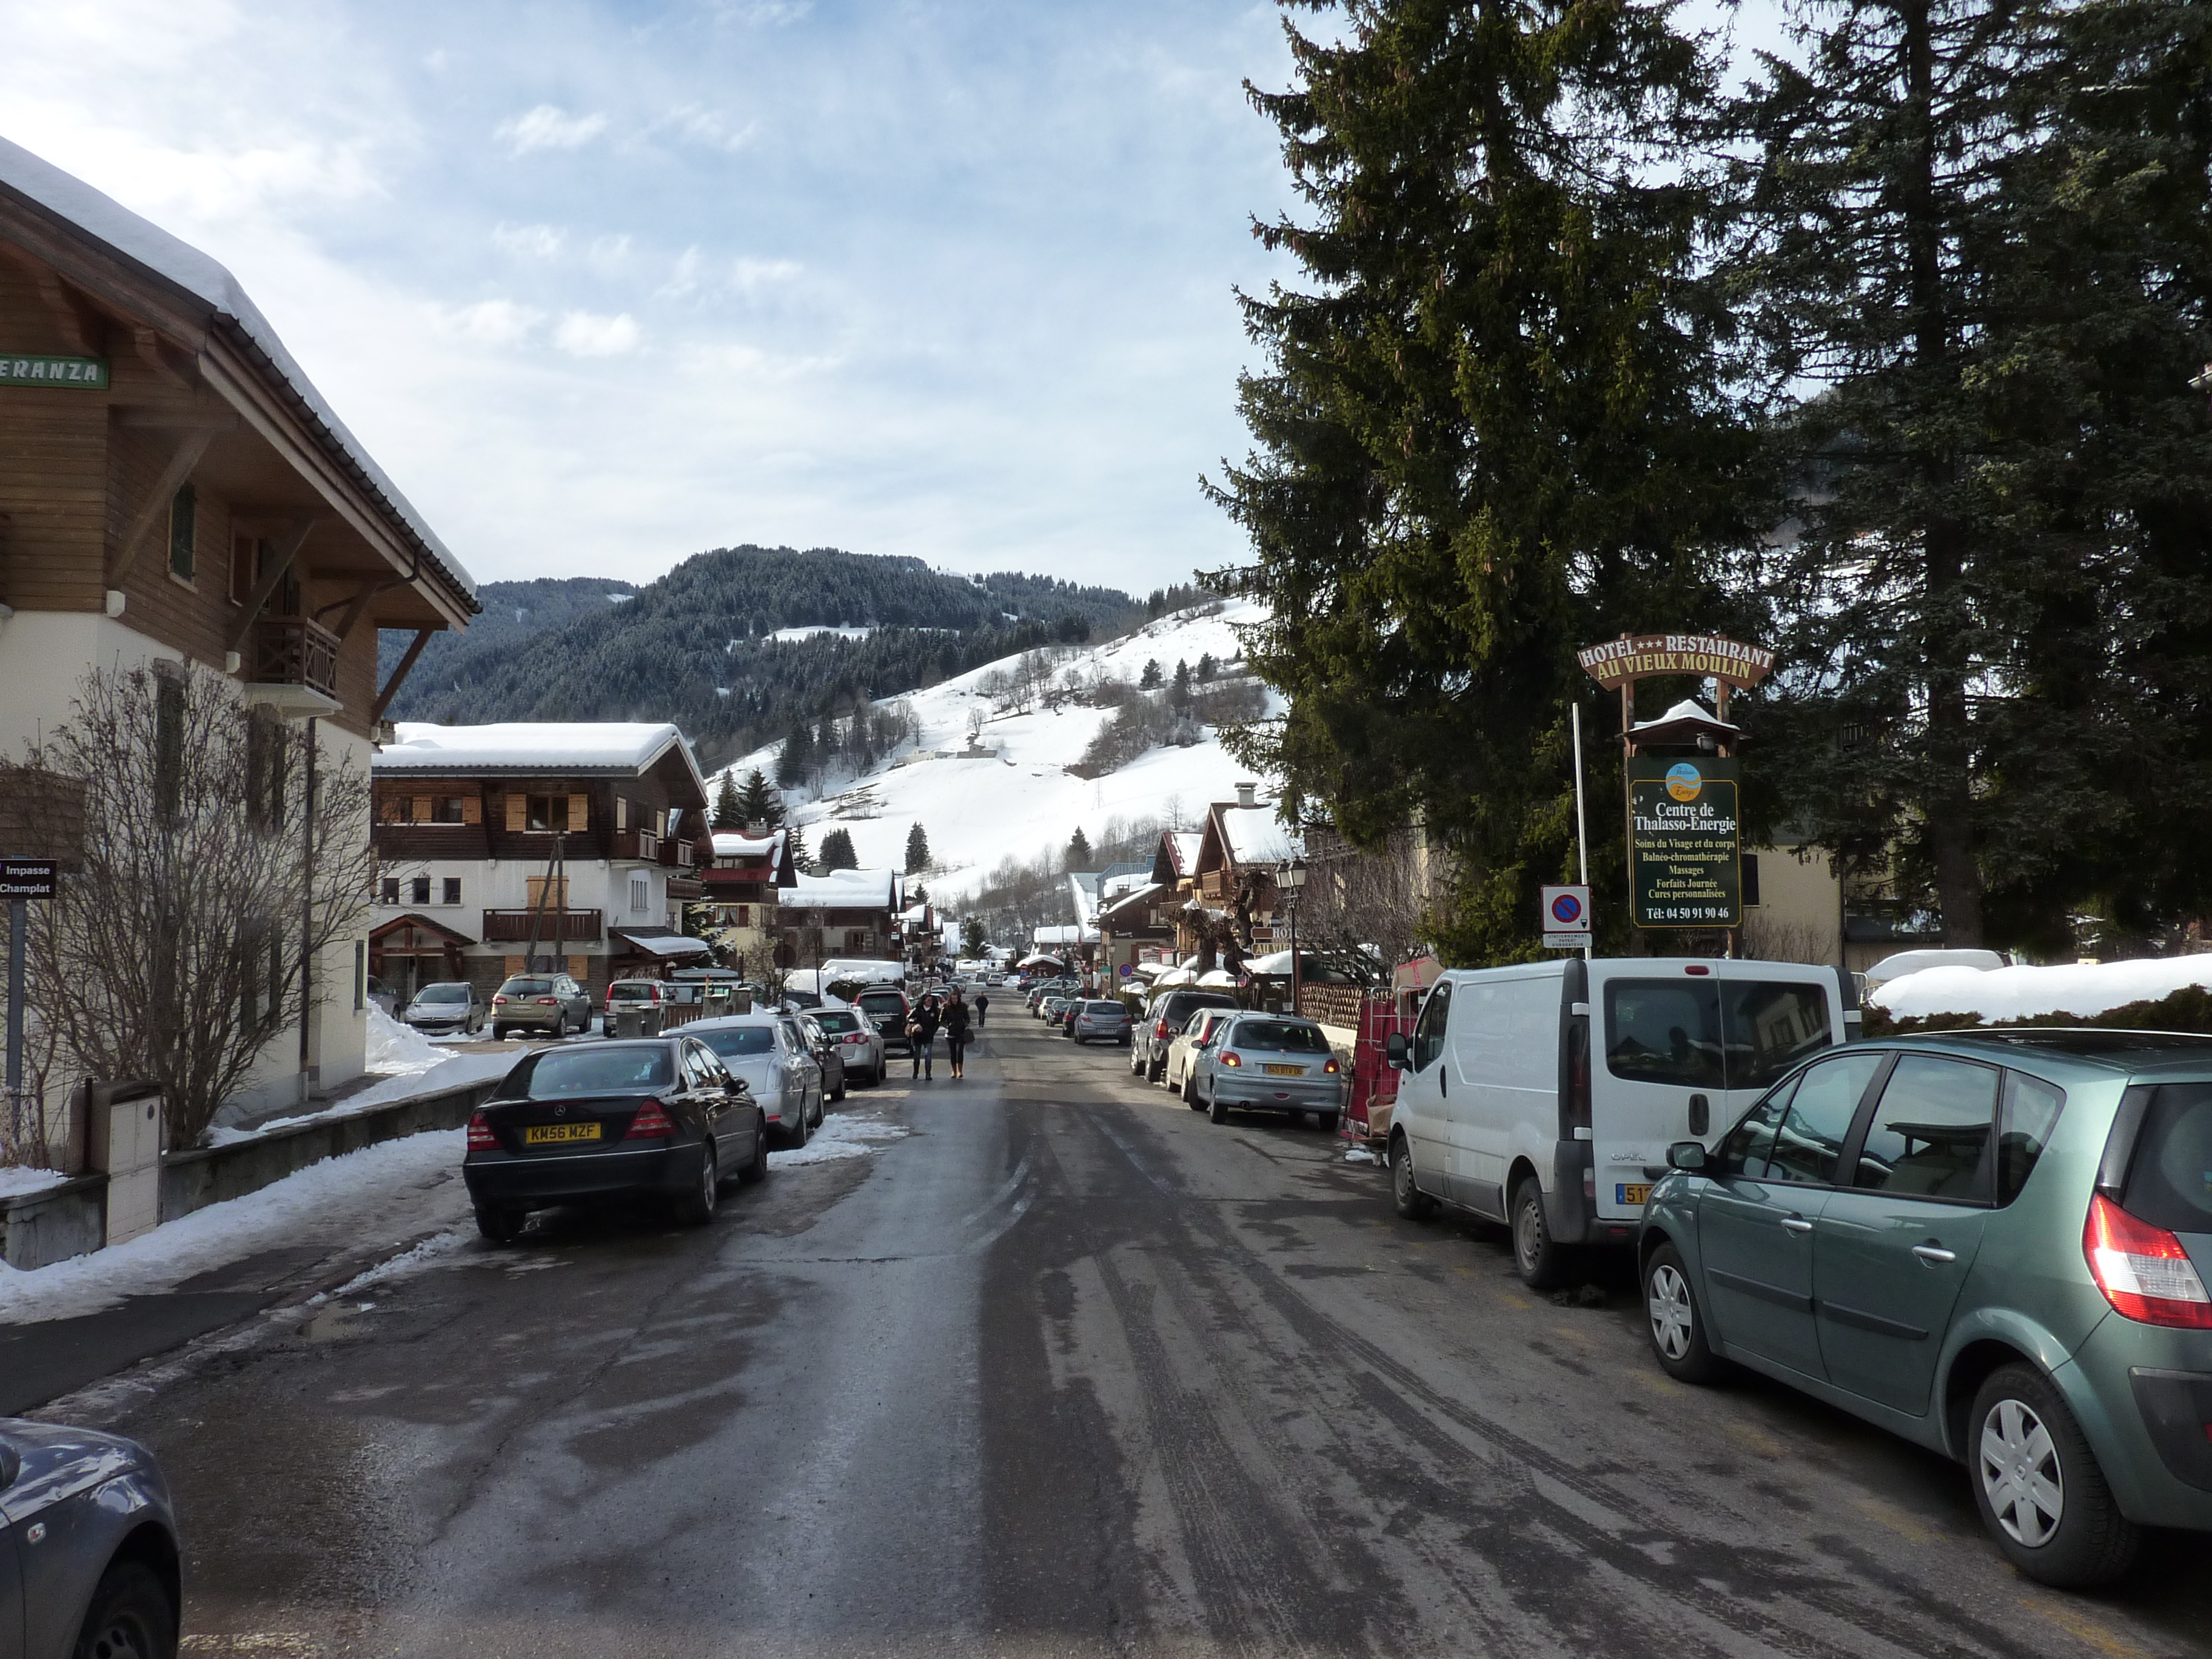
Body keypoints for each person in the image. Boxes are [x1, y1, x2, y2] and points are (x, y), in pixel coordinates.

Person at [908, 995, 941, 1081]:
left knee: (928, 1056)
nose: (930, 1002)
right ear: (924, 1001)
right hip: (917, 1037)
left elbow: (937, 1024)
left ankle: (928, 1074)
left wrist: (932, 1032)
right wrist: (915, 1025)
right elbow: (909, 1018)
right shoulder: (918, 1010)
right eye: (928, 1000)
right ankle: (916, 1073)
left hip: (928, 1038)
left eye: (931, 1001)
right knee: (917, 1056)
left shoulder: (934, 1011)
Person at [942, 988, 971, 1079]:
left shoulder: (963, 1007)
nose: (955, 1000)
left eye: (956, 999)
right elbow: (941, 1020)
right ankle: (954, 1071)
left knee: (960, 1052)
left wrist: (964, 1025)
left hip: (961, 1033)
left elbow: (967, 1018)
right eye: (953, 999)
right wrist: (947, 1026)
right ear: (950, 999)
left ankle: (960, 1071)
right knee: (953, 1053)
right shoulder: (946, 1007)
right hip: (950, 1034)